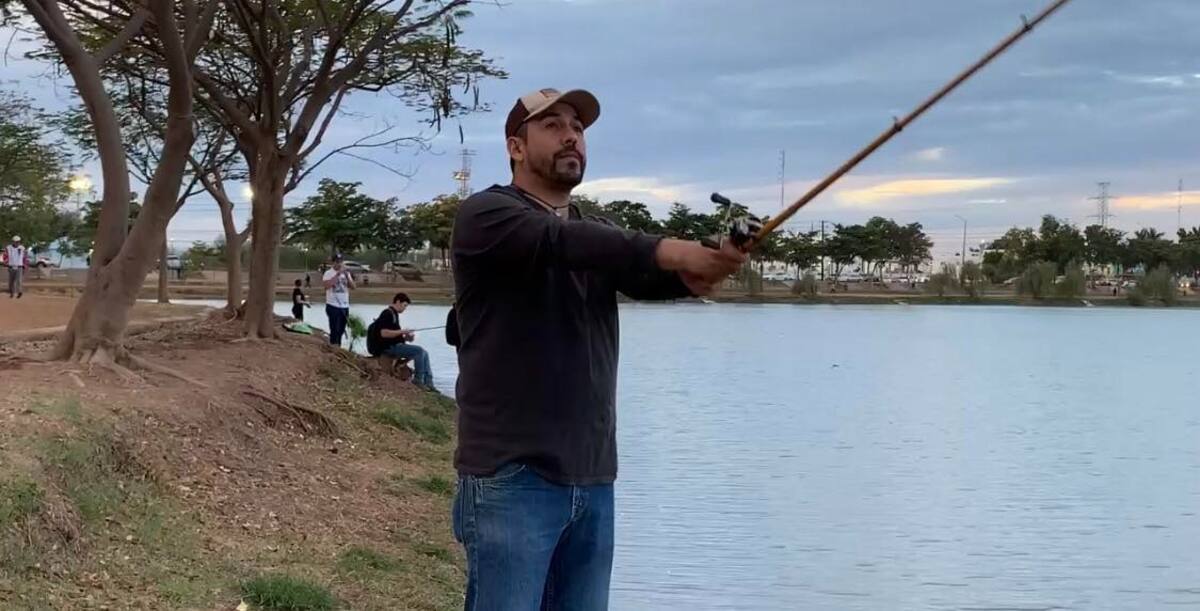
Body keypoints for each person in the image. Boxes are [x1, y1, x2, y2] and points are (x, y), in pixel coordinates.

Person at [449, 87, 746, 610]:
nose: (571, 136)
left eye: (579, 129)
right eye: (553, 125)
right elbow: (568, 244)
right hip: (511, 477)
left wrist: (712, 264)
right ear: (516, 147)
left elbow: (656, 278)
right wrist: (673, 250)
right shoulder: (488, 215)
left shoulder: (593, 231)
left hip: (592, 477)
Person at [371, 292, 435, 391]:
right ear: (398, 302)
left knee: (424, 353)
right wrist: (403, 331)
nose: (405, 309)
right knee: (419, 351)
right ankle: (418, 380)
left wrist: (406, 338)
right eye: (404, 305)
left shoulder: (394, 314)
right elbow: (384, 333)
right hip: (388, 348)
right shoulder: (387, 313)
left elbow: (394, 335)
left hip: (394, 344)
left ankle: (429, 383)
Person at [322, 254, 355, 345]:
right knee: (334, 329)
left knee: (341, 329)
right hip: (333, 305)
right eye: (337, 262)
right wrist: (338, 274)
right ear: (333, 262)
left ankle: (338, 347)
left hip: (344, 305)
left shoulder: (346, 274)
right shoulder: (328, 273)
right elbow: (326, 286)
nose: (339, 264)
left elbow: (353, 287)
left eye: (341, 261)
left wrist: (347, 277)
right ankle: (333, 346)